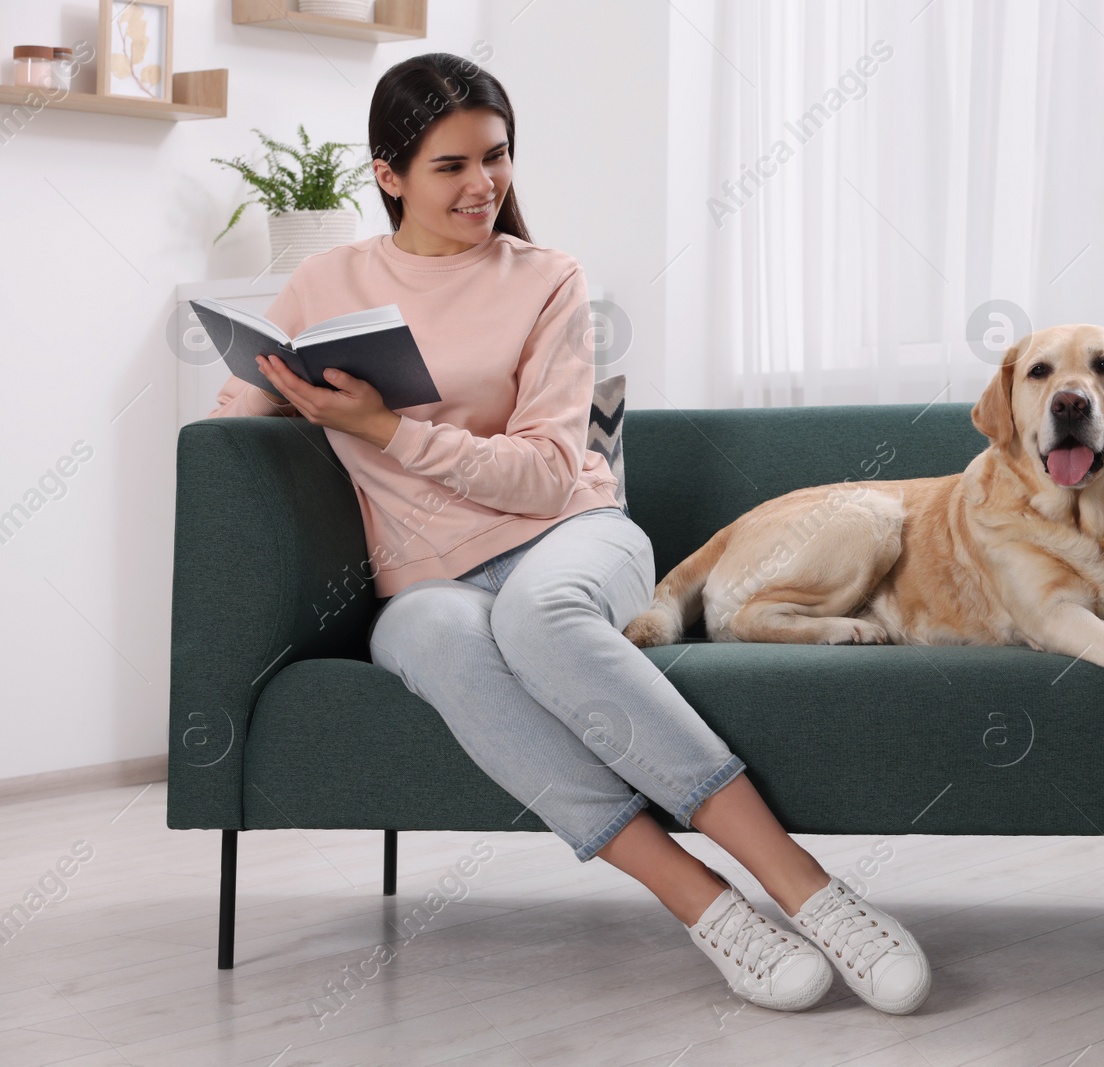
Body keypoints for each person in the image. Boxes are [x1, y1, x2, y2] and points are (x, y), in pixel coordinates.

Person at [204, 52, 931, 1016]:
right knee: (427, 637)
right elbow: (231, 418)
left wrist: (382, 428)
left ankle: (809, 889)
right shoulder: (325, 279)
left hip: (572, 538)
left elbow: (549, 470)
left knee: (539, 616)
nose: (484, 185)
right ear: (388, 176)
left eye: (496, 157)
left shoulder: (547, 278)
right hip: (424, 580)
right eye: (451, 166)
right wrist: (277, 403)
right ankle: (706, 905)